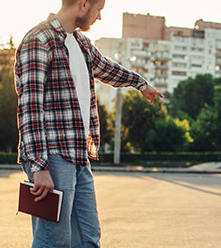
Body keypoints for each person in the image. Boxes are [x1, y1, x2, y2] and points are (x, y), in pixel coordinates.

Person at [14, 0, 163, 246]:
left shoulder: (81, 44)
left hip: (79, 156)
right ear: (83, 4)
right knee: (54, 241)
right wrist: (39, 167)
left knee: (88, 238)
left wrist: (140, 83)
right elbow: (30, 107)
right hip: (52, 157)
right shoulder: (38, 40)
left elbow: (106, 68)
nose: (100, 17)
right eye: (98, 10)